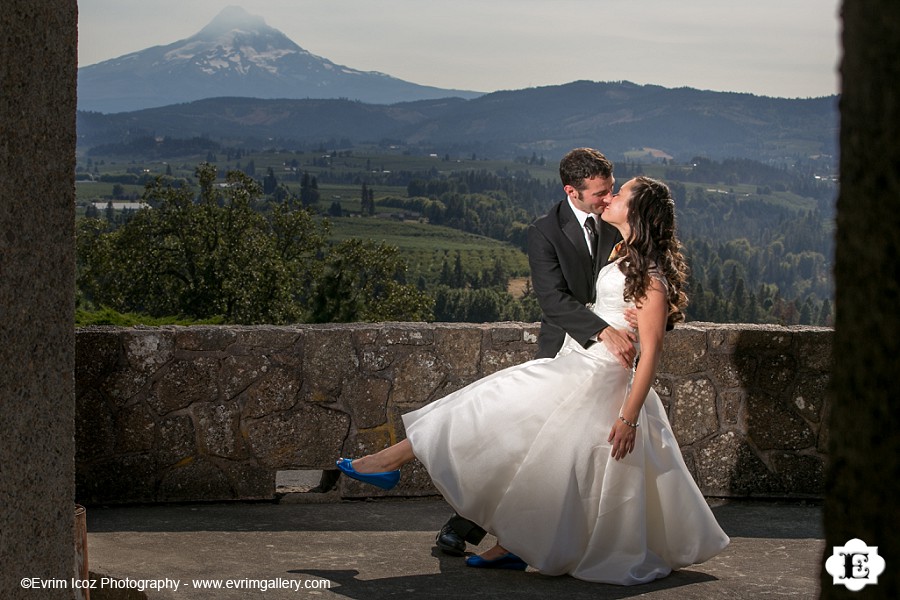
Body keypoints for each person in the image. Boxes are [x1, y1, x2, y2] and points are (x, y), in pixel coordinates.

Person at [335, 176, 730, 584]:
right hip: (576, 362)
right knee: (538, 461)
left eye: (621, 193)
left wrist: (628, 417)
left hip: (596, 378)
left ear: (638, 212)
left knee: (489, 412)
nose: (611, 197)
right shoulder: (623, 255)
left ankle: (387, 463)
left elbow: (650, 356)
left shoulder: (649, 276)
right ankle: (509, 545)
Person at [433, 147, 638, 556]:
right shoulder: (544, 230)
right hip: (565, 350)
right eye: (600, 193)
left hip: (610, 365)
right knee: (524, 444)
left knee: (572, 453)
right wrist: (602, 330)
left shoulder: (620, 224)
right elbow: (552, 299)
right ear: (571, 191)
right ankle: (468, 524)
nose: (608, 199)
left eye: (611, 190)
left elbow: (650, 287)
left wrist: (637, 316)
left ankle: (555, 539)